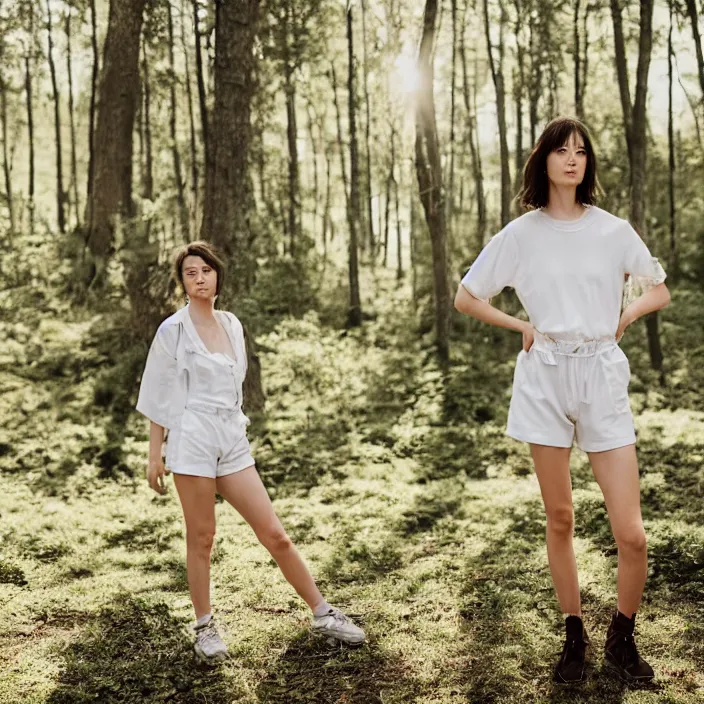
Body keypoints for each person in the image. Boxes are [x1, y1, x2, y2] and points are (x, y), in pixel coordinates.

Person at [454, 117, 670, 684]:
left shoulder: (613, 230)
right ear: (544, 161)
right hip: (545, 375)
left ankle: (622, 638)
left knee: (632, 533)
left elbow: (660, 287)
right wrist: (519, 324)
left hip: (600, 374)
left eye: (581, 151)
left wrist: (625, 313)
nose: (572, 159)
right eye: (561, 150)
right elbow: (466, 295)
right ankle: (573, 636)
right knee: (560, 516)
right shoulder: (522, 234)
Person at [136, 241, 365, 663]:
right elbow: (159, 393)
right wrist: (156, 453)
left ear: (217, 275)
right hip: (192, 439)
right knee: (202, 537)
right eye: (190, 273)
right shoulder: (174, 330)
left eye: (206, 270)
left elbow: (234, 387)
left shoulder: (232, 324)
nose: (200, 278)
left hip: (231, 437)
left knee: (274, 533)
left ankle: (322, 612)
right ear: (182, 282)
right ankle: (205, 627)